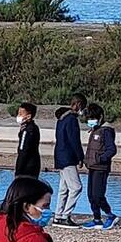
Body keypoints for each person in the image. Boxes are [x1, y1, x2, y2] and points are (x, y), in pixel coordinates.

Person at [80, 104, 118, 230]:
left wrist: (100, 159)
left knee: (98, 195)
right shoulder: (95, 130)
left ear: (100, 117)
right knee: (90, 195)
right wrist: (86, 160)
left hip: (101, 168)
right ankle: (97, 219)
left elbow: (111, 150)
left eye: (93, 118)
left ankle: (110, 215)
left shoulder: (106, 131)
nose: (90, 121)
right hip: (92, 167)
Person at [48, 97, 85, 226]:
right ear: (78, 105)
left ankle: (58, 216)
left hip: (60, 155)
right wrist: (80, 157)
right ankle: (65, 215)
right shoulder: (71, 120)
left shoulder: (62, 119)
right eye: (82, 107)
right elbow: (74, 140)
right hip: (68, 157)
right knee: (76, 188)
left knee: (64, 188)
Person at [12, 102, 42, 179]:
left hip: (26, 168)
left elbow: (23, 150)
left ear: (28, 116)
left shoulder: (27, 130)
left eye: (21, 114)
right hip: (34, 165)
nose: (18, 116)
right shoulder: (33, 127)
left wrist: (18, 171)